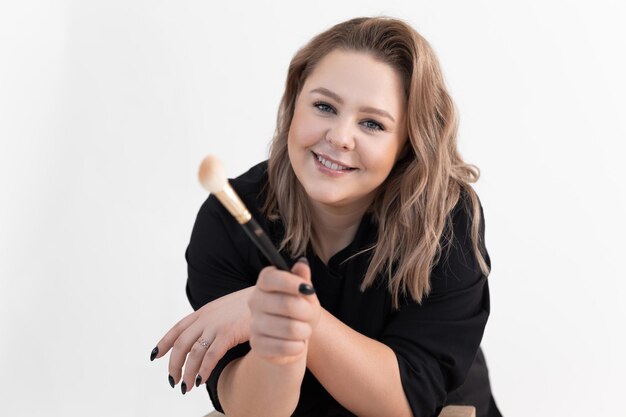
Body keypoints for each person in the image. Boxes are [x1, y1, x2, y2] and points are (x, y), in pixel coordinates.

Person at [151, 16, 502, 417]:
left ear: (407, 143)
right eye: (324, 106)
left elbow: (406, 403)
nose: (339, 137)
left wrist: (296, 316)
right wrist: (276, 347)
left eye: (372, 123)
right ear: (293, 103)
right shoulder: (228, 218)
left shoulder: (447, 218)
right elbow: (249, 411)